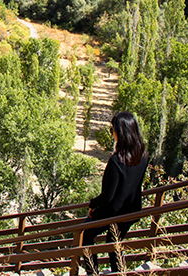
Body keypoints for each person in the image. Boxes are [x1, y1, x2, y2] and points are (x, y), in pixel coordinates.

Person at [80, 111, 149, 275]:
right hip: (131, 210)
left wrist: (92, 205)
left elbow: (107, 197)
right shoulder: (143, 155)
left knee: (85, 234)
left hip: (114, 211)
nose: (112, 133)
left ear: (121, 132)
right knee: (114, 242)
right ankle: (119, 272)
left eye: (113, 129)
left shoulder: (116, 161)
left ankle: (92, 272)